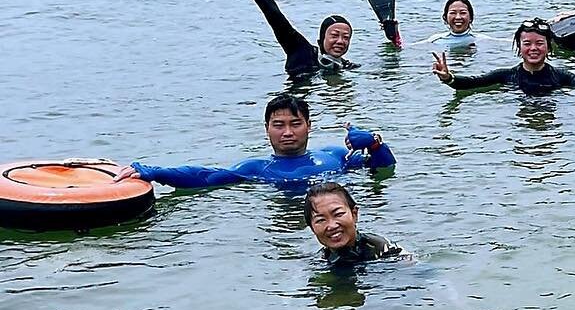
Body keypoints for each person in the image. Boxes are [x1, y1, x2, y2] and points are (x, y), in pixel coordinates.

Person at [116, 94, 395, 188]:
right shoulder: (255, 169)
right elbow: (204, 177)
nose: (288, 132)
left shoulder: (335, 156)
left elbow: (384, 169)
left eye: (296, 124)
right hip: (282, 215)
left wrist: (374, 144)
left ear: (309, 127)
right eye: (279, 125)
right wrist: (155, 172)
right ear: (267, 129)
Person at [221, 0, 355, 77]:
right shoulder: (300, 50)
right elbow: (273, 14)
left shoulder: (348, 67)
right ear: (321, 39)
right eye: (334, 36)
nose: (340, 41)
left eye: (346, 37)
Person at [433, 18, 575, 96]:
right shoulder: (505, 76)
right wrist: (448, 78)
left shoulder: (563, 77)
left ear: (549, 47)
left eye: (539, 43)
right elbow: (470, 84)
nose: (533, 48)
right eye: (527, 43)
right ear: (519, 47)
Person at [304, 182, 404, 271]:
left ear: (354, 214)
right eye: (320, 220)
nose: (332, 226)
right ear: (312, 228)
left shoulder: (385, 250)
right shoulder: (320, 261)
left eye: (338, 214)